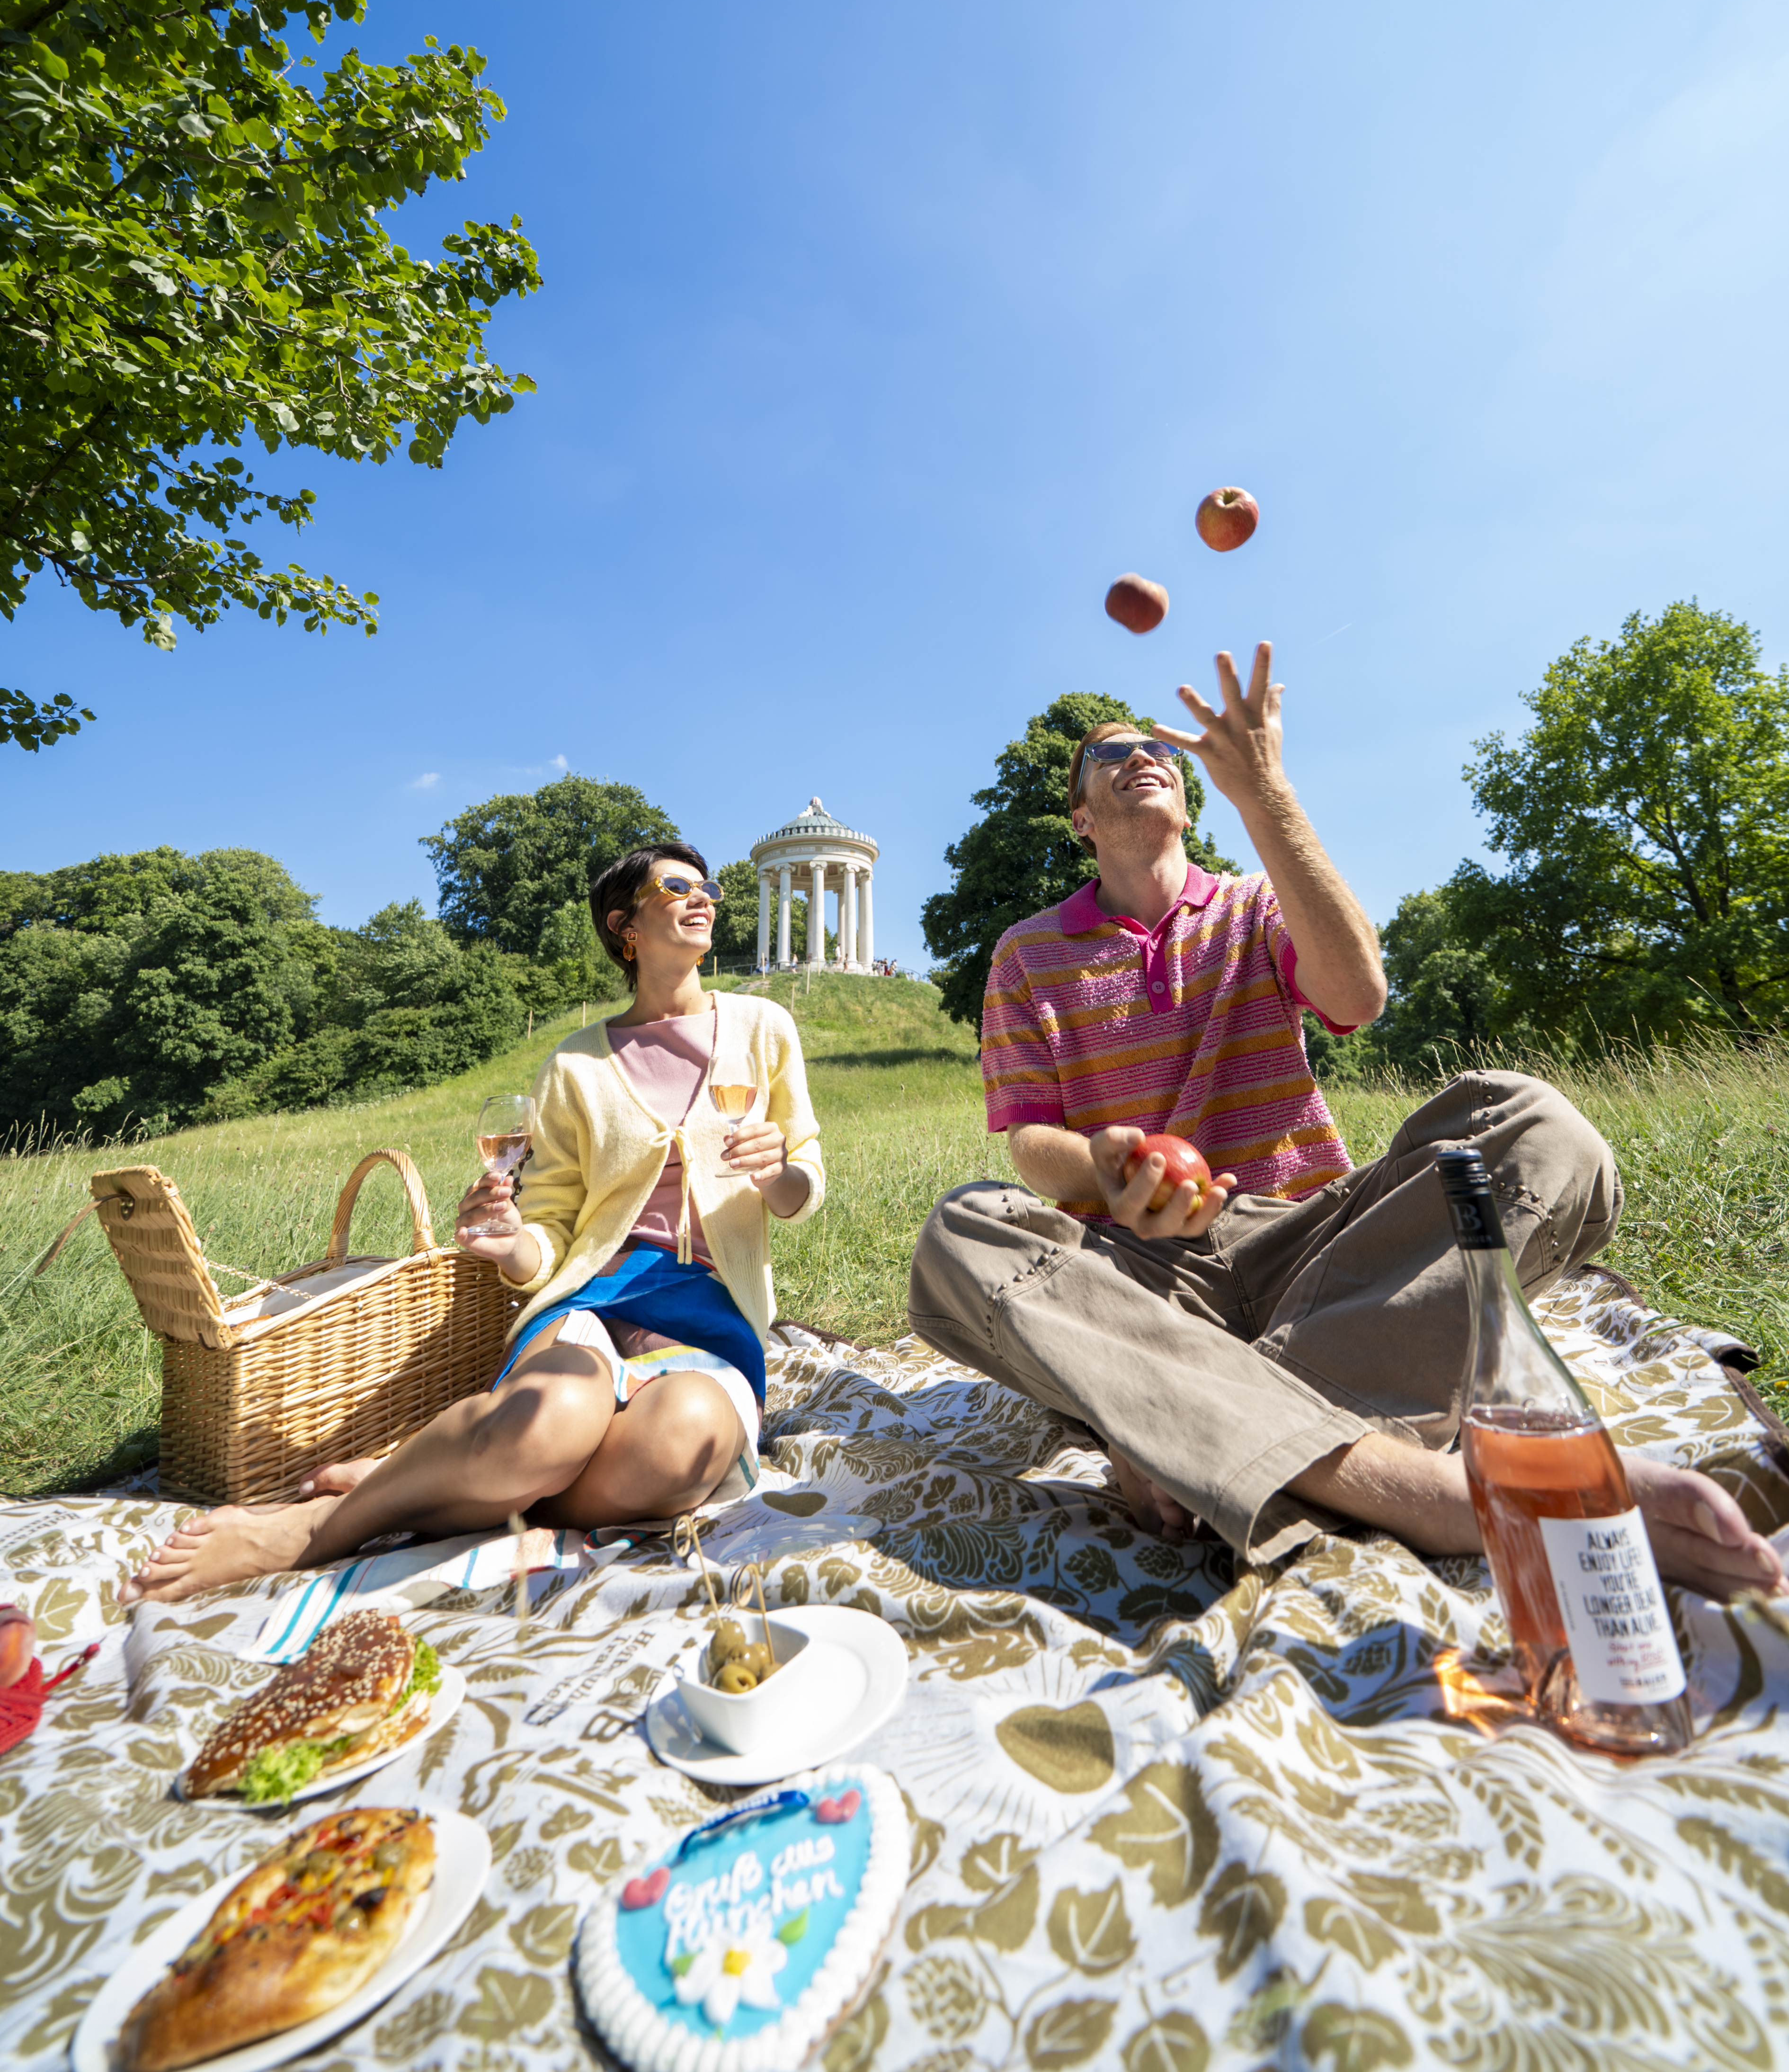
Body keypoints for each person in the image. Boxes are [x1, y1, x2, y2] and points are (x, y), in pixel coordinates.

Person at [908, 648, 1786, 1602]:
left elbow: (1358, 995)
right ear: (1081, 817)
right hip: (1144, 1279)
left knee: (1536, 1122)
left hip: (1325, 1249)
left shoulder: (1252, 903)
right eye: (1110, 749)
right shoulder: (1029, 952)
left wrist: (1268, 795)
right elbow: (1033, 1143)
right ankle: (1428, 1491)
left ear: (1193, 804)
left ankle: (1186, 1421)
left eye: (1159, 747)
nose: (1142, 752)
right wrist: (1100, 1170)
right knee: (966, 1230)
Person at [124, 844, 824, 1605]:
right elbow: (552, 1231)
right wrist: (510, 1243)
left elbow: (802, 1187)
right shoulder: (575, 1063)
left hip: (713, 1313)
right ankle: (318, 1530)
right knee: (549, 1418)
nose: (705, 899)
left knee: (680, 1439)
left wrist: (777, 1170)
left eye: (707, 886)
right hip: (593, 1299)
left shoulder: (764, 1026)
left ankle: (416, 1481)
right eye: (677, 886)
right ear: (625, 925)